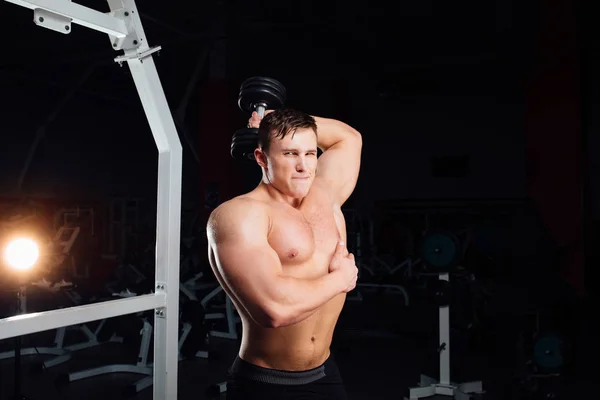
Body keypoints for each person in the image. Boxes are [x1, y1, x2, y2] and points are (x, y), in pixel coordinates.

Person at [206, 107, 362, 399]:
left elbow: (348, 138)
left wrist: (275, 117)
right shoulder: (240, 215)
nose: (304, 166)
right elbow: (274, 309)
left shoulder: (326, 195)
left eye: (310, 153)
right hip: (267, 383)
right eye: (290, 154)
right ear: (261, 158)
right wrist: (340, 280)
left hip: (325, 374)